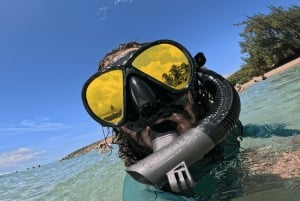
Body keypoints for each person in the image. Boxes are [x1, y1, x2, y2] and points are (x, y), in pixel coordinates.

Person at [82, 39, 243, 200]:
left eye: (160, 77)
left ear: (194, 87)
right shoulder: (147, 196)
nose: (147, 104)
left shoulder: (229, 129)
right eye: (116, 103)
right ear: (119, 129)